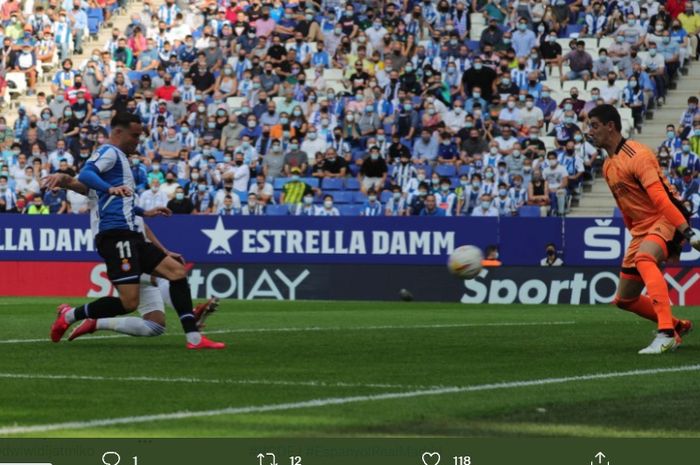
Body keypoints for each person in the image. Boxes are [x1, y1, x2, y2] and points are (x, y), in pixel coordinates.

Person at [49, 113, 224, 350]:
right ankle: (70, 316)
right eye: (135, 135)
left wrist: (145, 212)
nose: (138, 140)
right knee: (129, 302)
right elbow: (87, 174)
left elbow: (116, 199)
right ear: (119, 132)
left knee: (176, 272)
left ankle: (194, 339)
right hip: (115, 237)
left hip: (131, 234)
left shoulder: (120, 162)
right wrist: (109, 187)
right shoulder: (109, 152)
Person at [42, 173, 220, 340]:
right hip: (122, 254)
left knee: (155, 326)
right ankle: (190, 313)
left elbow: (143, 226)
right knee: (167, 275)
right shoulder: (100, 193)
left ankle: (94, 321)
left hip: (141, 251)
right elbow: (73, 182)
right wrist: (60, 178)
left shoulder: (125, 199)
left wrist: (164, 251)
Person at [587, 104, 695, 354]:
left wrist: (686, 232)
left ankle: (666, 333)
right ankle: (677, 325)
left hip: (667, 216)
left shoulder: (638, 155)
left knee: (645, 257)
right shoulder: (607, 166)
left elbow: (660, 199)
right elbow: (625, 208)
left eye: (594, 126)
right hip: (643, 228)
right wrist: (634, 234)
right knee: (624, 299)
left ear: (610, 126)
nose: (590, 132)